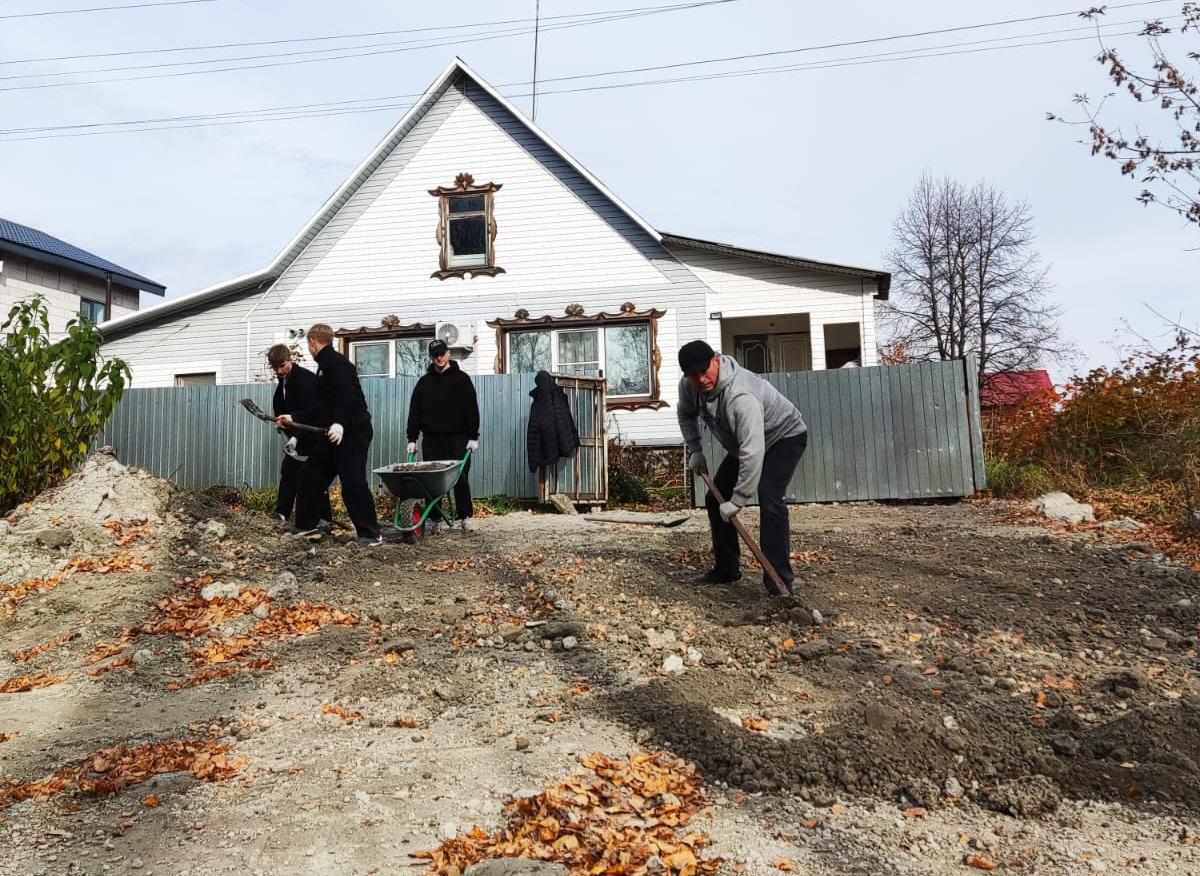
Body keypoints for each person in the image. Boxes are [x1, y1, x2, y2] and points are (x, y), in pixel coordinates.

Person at [676, 340, 808, 596]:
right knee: (715, 500)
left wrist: (738, 500)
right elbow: (685, 414)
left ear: (716, 359)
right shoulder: (689, 386)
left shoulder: (740, 395)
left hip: (784, 435)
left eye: (705, 371)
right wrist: (695, 450)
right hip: (745, 443)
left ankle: (779, 584)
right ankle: (727, 569)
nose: (701, 379)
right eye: (694, 375)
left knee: (771, 498)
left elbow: (753, 449)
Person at [277, 324, 382, 547]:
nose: (309, 348)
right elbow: (320, 407)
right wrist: (292, 416)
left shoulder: (336, 364)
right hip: (331, 433)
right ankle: (307, 526)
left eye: (309, 345)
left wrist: (340, 424)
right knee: (309, 475)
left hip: (352, 433)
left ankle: (371, 535)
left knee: (353, 483)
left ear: (313, 342)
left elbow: (347, 396)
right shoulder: (324, 367)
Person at [405, 339, 480, 527]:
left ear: (448, 354)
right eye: (435, 355)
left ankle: (465, 517)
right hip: (431, 439)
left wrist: (473, 436)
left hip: (458, 437)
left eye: (441, 354)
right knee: (433, 480)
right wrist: (412, 438)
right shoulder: (424, 383)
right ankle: (434, 519)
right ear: (431, 357)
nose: (439, 358)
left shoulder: (462, 379)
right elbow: (415, 411)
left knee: (460, 478)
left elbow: (471, 408)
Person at [267, 344, 332, 527]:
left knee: (314, 477)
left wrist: (296, 436)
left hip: (315, 435)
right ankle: (282, 512)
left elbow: (313, 412)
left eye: (282, 366)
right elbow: (283, 407)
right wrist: (281, 423)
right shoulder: (284, 381)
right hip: (299, 435)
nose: (279, 371)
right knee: (289, 472)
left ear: (290, 360)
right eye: (275, 368)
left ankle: (324, 519)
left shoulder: (305, 380)